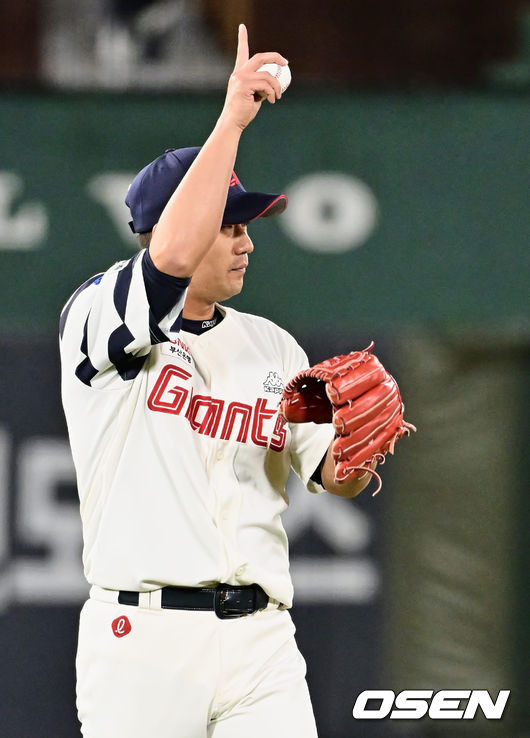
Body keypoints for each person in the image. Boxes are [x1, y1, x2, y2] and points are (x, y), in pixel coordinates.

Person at [60, 24, 374, 738]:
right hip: (143, 641)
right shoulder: (99, 314)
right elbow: (170, 254)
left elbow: (333, 473)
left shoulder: (272, 345)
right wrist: (232, 119)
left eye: (245, 226)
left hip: (260, 640)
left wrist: (363, 444)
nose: (246, 241)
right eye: (230, 225)